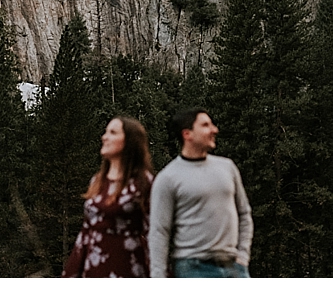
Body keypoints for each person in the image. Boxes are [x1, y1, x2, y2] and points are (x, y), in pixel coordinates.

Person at [148, 109, 253, 278]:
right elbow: (159, 231)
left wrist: (242, 257)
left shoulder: (227, 167)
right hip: (192, 268)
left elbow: (244, 213)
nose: (214, 130)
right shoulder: (167, 178)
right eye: (205, 125)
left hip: (235, 268)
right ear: (187, 134)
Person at [63, 116, 154, 277]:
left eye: (112, 132)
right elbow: (85, 232)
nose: (104, 137)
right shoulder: (98, 180)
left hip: (127, 267)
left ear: (129, 141)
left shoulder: (143, 183)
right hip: (93, 267)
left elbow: (153, 233)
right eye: (106, 132)